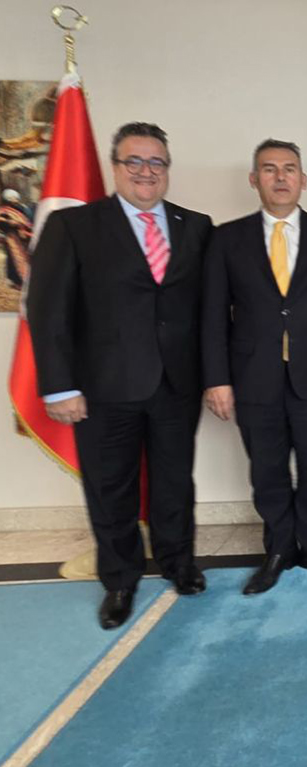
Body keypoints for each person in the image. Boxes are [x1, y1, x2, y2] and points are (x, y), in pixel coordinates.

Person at [28, 122, 212, 628]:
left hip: (177, 384)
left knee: (175, 482)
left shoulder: (196, 226)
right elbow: (48, 309)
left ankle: (179, 563)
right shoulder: (73, 225)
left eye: (156, 162)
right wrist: (59, 386)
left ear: (167, 169)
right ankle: (120, 580)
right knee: (111, 488)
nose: (146, 171)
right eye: (135, 161)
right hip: (103, 387)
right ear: (115, 167)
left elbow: (209, 308)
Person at [201, 139, 307, 595]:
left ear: (303, 180)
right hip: (253, 376)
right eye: (269, 169)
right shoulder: (226, 238)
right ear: (254, 179)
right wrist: (217, 379)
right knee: (266, 469)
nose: (280, 177)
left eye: (289, 169)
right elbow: (212, 314)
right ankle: (279, 548)